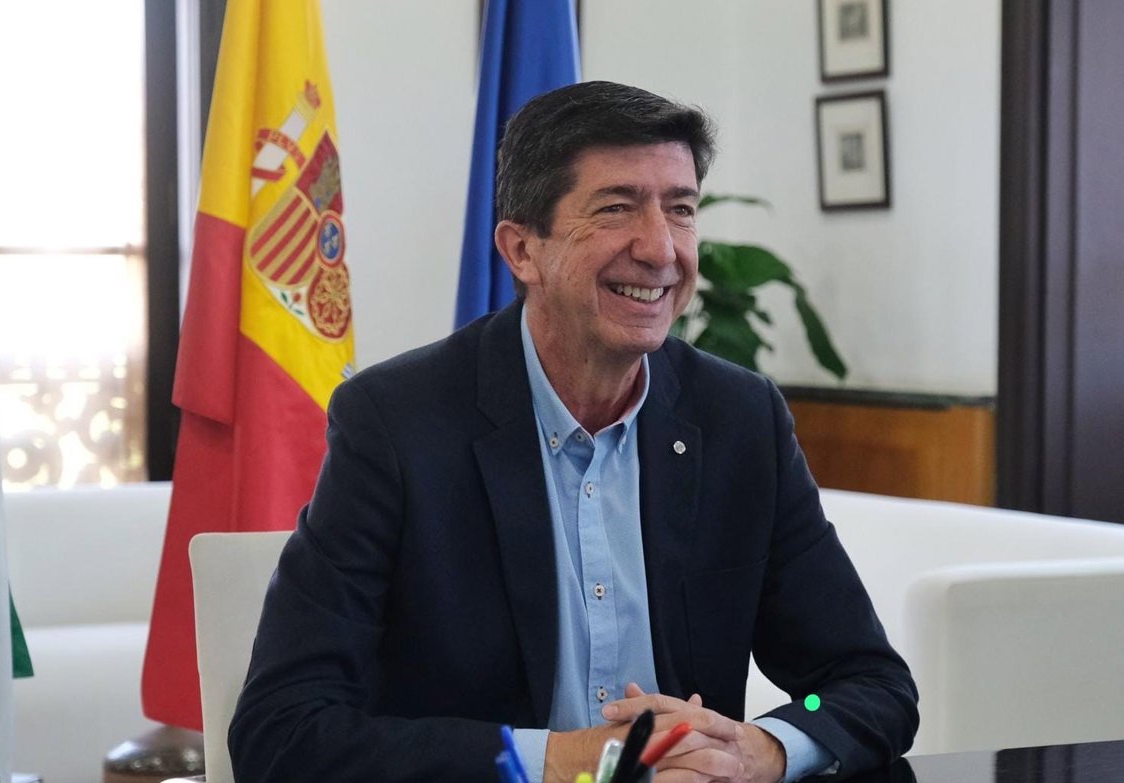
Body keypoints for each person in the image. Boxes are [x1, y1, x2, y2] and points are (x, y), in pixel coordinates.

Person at [230, 81, 917, 782]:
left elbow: (860, 681)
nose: (660, 248)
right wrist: (559, 761)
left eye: (680, 209)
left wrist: (764, 747)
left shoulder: (739, 419)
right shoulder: (397, 424)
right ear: (522, 250)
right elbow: (285, 728)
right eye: (617, 207)